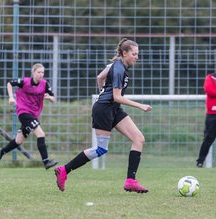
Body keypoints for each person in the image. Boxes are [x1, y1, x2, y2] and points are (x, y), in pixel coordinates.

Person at [54, 38, 152, 193]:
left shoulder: (116, 65)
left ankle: (130, 181)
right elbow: (117, 97)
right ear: (124, 53)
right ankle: (64, 170)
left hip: (113, 108)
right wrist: (140, 105)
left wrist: (102, 92)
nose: (137, 57)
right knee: (100, 149)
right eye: (134, 54)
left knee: (138, 139)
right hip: (104, 110)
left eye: (137, 54)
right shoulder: (119, 69)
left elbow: (100, 77)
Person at [0, 63, 58, 170]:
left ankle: (2, 152)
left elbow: (53, 98)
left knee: (18, 141)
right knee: (41, 133)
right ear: (33, 73)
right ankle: (46, 161)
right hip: (23, 112)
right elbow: (9, 83)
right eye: (38, 72)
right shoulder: (24, 81)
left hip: (33, 115)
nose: (41, 74)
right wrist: (11, 97)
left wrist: (49, 98)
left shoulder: (44, 84)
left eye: (42, 72)